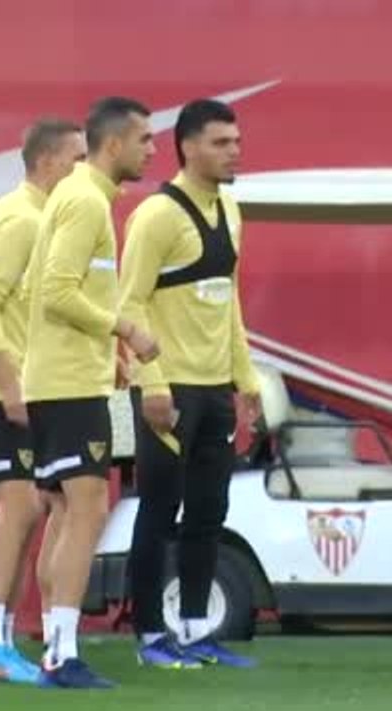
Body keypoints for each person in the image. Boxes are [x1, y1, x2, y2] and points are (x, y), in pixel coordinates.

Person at [117, 99, 263, 670]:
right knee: (158, 511)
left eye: (236, 141)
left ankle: (197, 630)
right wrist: (150, 384)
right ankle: (151, 637)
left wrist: (245, 381)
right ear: (188, 147)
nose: (235, 151)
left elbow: (229, 307)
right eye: (222, 143)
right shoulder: (156, 216)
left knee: (209, 513)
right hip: (168, 389)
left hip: (213, 390)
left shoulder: (231, 209)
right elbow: (126, 304)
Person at [22, 96, 160, 689]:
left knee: (68, 514)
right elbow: (54, 291)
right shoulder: (84, 202)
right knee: (86, 511)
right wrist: (124, 327)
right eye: (146, 140)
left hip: (67, 379)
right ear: (114, 145)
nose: (152, 150)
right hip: (66, 386)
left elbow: (47, 287)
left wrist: (110, 354)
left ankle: (56, 647)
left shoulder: (79, 199)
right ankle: (59, 653)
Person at [0, 118, 86, 684]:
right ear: (49, 162)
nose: (84, 170)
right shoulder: (20, 218)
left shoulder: (44, 219)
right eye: (78, 159)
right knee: (21, 508)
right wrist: (9, 384)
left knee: (37, 508)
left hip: (22, 383)